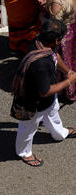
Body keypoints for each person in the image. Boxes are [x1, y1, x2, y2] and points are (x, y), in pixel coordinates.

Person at [12, 18, 76, 167]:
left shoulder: (41, 42)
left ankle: (59, 133)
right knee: (28, 128)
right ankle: (24, 152)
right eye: (60, 39)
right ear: (55, 40)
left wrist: (68, 72)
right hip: (33, 104)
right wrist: (68, 82)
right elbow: (45, 92)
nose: (61, 42)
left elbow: (55, 57)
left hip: (47, 100)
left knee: (53, 112)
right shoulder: (40, 64)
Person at [44, 0, 76, 100]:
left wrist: (42, 19)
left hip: (62, 38)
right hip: (72, 32)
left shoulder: (57, 3)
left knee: (63, 62)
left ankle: (64, 90)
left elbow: (55, 26)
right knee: (72, 59)